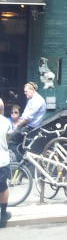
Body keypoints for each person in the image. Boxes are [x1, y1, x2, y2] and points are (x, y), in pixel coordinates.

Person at [0, 98, 12, 228]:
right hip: (2, 161)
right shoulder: (6, 122)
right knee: (3, 188)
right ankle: (3, 216)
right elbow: (8, 137)